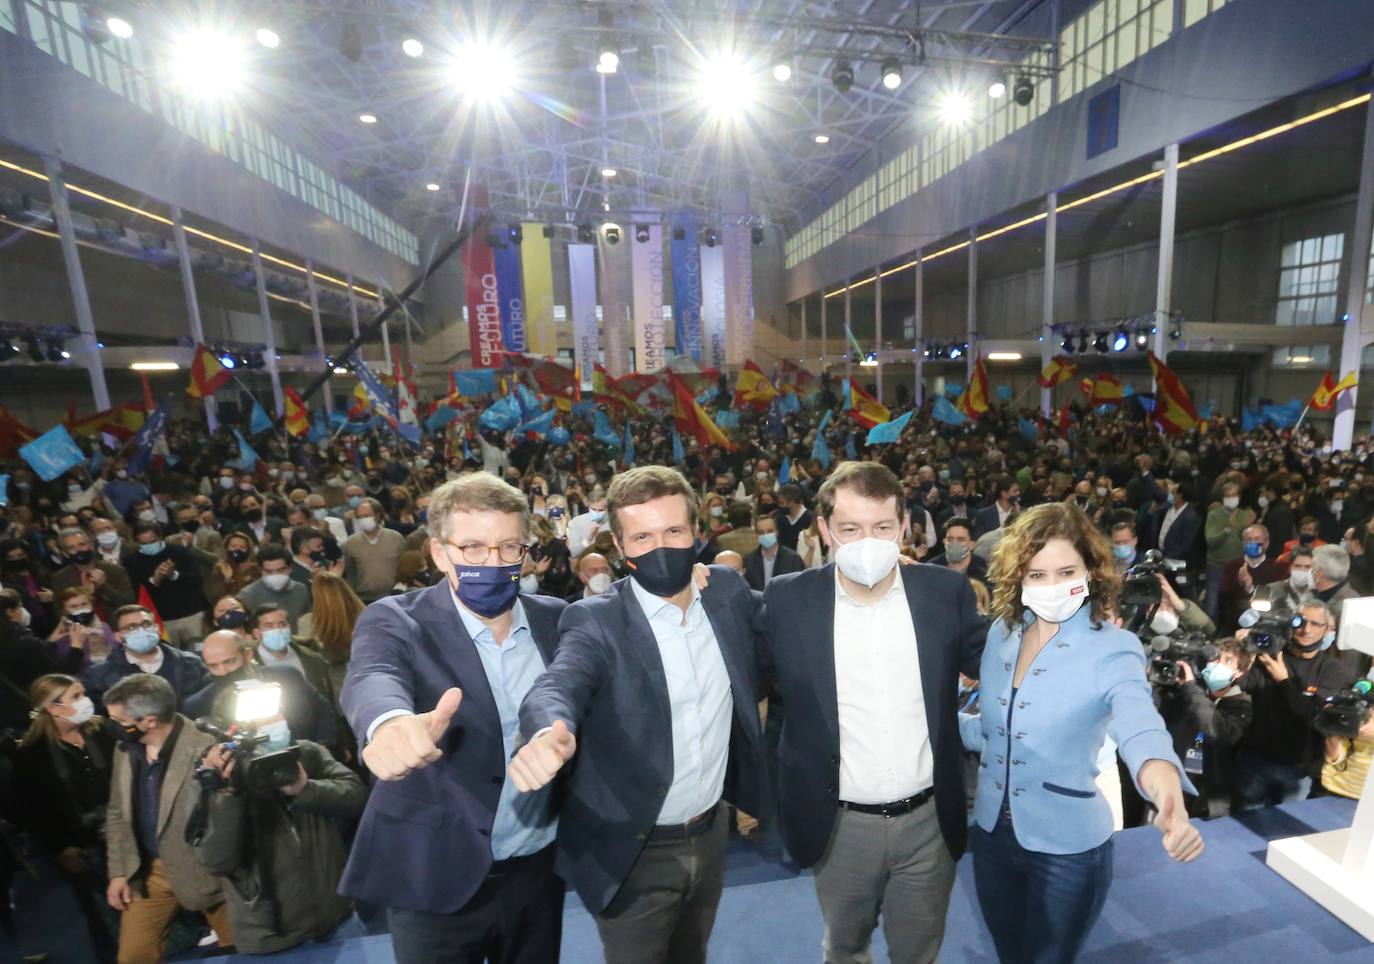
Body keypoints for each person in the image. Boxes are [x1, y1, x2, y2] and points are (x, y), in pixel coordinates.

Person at [511, 465, 768, 964]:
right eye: (643, 536)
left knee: (692, 955)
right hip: (632, 848)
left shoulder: (728, 595)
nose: (662, 547)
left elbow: (795, 613)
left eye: (674, 531)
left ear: (697, 533)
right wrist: (548, 730)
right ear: (622, 548)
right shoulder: (594, 619)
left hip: (712, 833)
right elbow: (559, 682)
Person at [761, 461, 986, 964]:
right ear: (824, 530)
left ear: (904, 527)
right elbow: (740, 665)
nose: (868, 541)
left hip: (928, 820)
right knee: (845, 948)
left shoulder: (944, 593)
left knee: (918, 953)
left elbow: (1002, 658)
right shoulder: (788, 600)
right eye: (850, 529)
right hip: (841, 826)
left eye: (882, 527)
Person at [341, 474, 568, 964]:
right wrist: (388, 722)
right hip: (435, 872)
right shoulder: (396, 619)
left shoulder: (559, 619)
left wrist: (696, 583)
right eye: (473, 547)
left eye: (509, 547)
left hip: (536, 871)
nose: (494, 562)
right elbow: (374, 676)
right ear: (440, 554)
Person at [961, 503, 1201, 963]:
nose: (1051, 585)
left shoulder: (1114, 647)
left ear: (1090, 570)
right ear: (1018, 578)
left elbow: (1140, 727)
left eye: (1065, 570)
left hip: (1068, 851)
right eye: (1036, 574)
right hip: (991, 837)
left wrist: (1167, 795)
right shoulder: (1001, 634)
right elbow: (996, 734)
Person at [190, 721, 367, 953]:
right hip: (271, 935)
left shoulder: (305, 753)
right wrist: (228, 796)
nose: (269, 724)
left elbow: (355, 797)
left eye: (274, 716)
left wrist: (304, 788)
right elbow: (217, 861)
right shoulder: (211, 780)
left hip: (338, 918)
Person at [103, 673, 234, 961]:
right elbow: (117, 811)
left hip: (211, 875)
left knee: (244, 953)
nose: (111, 727)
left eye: (118, 720)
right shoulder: (124, 749)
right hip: (150, 873)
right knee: (132, 957)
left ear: (148, 721)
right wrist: (119, 871)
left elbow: (229, 819)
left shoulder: (207, 747)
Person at [15, 674, 117, 962]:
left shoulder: (103, 731)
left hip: (125, 834)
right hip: (82, 849)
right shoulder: (31, 755)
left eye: (82, 693)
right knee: (104, 916)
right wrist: (60, 848)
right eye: (75, 697)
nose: (85, 701)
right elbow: (32, 810)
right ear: (53, 708)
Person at [1234, 599, 1356, 809]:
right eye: (1300, 621)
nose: (1306, 629)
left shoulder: (1332, 670)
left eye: (1316, 624)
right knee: (1243, 824)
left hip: (1299, 768)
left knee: (1287, 833)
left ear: (1328, 629)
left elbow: (1314, 716)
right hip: (1255, 760)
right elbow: (1239, 686)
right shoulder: (1269, 655)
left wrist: (1284, 681)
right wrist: (1244, 653)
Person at [185, 631, 339, 752]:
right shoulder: (198, 707)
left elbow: (322, 708)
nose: (223, 671)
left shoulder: (287, 676)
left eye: (229, 662)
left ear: (247, 655)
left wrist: (323, 748)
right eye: (214, 666)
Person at [1155, 637, 1254, 819]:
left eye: (1228, 661)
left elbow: (1217, 730)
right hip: (1176, 780)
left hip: (1209, 797)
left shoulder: (1242, 706)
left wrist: (1191, 688)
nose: (1218, 664)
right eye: (1215, 658)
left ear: (1239, 673)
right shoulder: (1189, 691)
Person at [81, 604, 209, 714]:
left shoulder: (191, 663)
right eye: (131, 627)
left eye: (146, 624)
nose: (141, 630)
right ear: (119, 637)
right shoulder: (99, 676)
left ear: (157, 628)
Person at [124, 522, 207, 649]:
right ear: (136, 542)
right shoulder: (131, 561)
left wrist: (174, 575)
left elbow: (197, 580)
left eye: (152, 541)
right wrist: (155, 580)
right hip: (161, 621)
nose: (149, 546)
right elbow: (137, 593)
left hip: (191, 616)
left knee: (200, 652)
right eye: (144, 544)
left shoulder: (179, 552)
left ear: (160, 537)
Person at [249, 603, 335, 705]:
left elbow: (328, 699)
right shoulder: (248, 665)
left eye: (282, 624)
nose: (278, 630)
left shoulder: (313, 659)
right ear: (257, 633)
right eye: (270, 626)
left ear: (289, 627)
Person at [298, 571, 363, 701]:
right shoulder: (366, 617)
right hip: (363, 689)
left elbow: (309, 661)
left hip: (330, 693)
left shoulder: (308, 622)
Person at [49, 527, 135, 622]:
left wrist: (103, 587)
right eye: (71, 548)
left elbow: (129, 603)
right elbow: (59, 613)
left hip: (116, 626)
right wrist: (85, 594)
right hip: (81, 630)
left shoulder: (115, 570)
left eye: (82, 544)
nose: (78, 550)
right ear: (65, 554)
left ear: (91, 546)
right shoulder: (60, 578)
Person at [1218, 524, 1287, 633]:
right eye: (1249, 540)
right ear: (1243, 544)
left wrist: (1251, 587)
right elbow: (1223, 596)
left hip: (1268, 622)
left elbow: (1280, 596)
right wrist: (1240, 584)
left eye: (1257, 539)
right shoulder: (1232, 566)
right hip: (1236, 622)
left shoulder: (1278, 567)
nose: (1253, 543)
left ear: (1267, 543)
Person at [342, 497, 407, 604]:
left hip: (395, 597)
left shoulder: (396, 538)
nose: (363, 519)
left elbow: (405, 567)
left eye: (367, 516)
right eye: (359, 517)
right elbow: (350, 574)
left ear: (377, 515)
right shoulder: (350, 543)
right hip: (364, 600)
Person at [237, 544, 312, 629]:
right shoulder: (247, 595)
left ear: (290, 568)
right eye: (269, 572)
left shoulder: (301, 590)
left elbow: (307, 621)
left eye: (281, 570)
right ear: (261, 570)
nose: (275, 575)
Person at [742, 513, 803, 592]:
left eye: (770, 531)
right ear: (756, 536)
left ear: (777, 532)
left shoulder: (793, 559)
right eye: (761, 532)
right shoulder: (748, 561)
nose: (766, 535)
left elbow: (799, 587)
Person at [926, 516, 989, 584]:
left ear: (972, 545)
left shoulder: (983, 569)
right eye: (950, 539)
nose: (954, 543)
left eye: (961, 539)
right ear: (944, 542)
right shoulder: (931, 569)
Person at [971, 475, 1019, 539]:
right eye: (1015, 491)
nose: (1018, 493)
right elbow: (979, 540)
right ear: (1004, 493)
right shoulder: (983, 515)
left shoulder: (1022, 512)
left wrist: (1019, 515)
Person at [566, 486, 608, 557]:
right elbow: (573, 552)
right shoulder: (577, 522)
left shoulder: (613, 522)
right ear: (588, 506)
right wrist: (588, 539)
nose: (597, 512)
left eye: (601, 510)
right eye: (593, 509)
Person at [775, 484, 813, 552]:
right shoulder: (780, 518)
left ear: (791, 502)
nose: (779, 506)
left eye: (781, 503)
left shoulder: (810, 519)